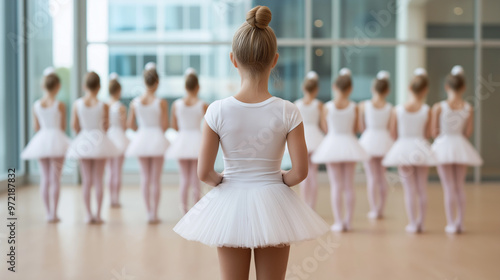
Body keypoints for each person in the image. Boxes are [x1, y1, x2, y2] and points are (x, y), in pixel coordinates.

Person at [174, 6, 329, 280]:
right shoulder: (288, 110)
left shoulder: (216, 111)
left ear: (233, 60)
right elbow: (300, 172)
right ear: (274, 60)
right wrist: (279, 178)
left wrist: (222, 180)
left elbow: (204, 173)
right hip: (274, 200)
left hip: (230, 200)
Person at [312, 68, 369, 232]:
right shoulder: (354, 107)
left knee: (336, 186)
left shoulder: (327, 107)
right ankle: (348, 221)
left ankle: (338, 222)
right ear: (350, 89)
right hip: (350, 143)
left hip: (332, 144)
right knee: (349, 185)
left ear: (333, 87)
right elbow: (358, 128)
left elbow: (324, 127)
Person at [382, 68, 436, 233]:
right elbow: (428, 133)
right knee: (421, 188)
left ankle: (412, 223)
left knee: (409, 189)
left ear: (409, 88)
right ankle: (421, 223)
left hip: (403, 149)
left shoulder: (397, 110)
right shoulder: (427, 110)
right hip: (421, 148)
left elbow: (392, 133)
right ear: (425, 90)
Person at [431, 65, 483, 233]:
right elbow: (468, 132)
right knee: (459, 186)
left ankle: (451, 223)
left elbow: (433, 132)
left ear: (446, 86)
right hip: (460, 146)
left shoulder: (438, 107)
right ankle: (460, 222)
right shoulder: (468, 107)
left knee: (448, 187)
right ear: (464, 87)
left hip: (443, 146)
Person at [67, 71, 120, 224]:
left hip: (84, 141)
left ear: (85, 86)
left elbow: (74, 126)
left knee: (87, 180)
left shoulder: (77, 104)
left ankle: (88, 214)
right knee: (98, 180)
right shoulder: (103, 104)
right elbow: (107, 126)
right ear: (99, 86)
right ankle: (98, 214)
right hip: (99, 141)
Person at [21, 67, 70, 222]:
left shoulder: (36, 105)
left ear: (44, 85)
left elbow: (36, 127)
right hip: (57, 140)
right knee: (55, 179)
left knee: (45, 178)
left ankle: (48, 213)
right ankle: (54, 213)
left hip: (41, 141)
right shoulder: (60, 105)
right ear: (57, 86)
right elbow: (63, 126)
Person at [126, 63, 169, 223]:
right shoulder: (161, 102)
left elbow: (131, 125)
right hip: (157, 138)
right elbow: (165, 126)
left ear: (144, 82)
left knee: (145, 177)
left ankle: (148, 212)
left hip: (142, 138)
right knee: (155, 179)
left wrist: (141, 130)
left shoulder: (135, 102)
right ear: (157, 82)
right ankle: (154, 214)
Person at [167, 68, 208, 213]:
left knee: (184, 179)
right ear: (198, 87)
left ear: (185, 87)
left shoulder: (177, 105)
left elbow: (174, 126)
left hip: (182, 141)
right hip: (197, 140)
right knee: (196, 179)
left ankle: (184, 210)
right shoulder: (203, 104)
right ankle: (196, 211)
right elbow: (211, 125)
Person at [358, 70, 394, 219]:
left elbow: (361, 127)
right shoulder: (390, 107)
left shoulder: (364, 105)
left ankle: (373, 209)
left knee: (372, 178)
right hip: (385, 141)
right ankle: (381, 209)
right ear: (387, 90)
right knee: (382, 176)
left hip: (369, 140)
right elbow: (392, 129)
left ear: (373, 88)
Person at [294, 71, 325, 209]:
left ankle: (304, 204)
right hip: (316, 138)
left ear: (303, 88)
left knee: (304, 173)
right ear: (316, 89)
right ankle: (312, 205)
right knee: (313, 173)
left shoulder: (297, 104)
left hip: (302, 137)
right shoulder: (319, 105)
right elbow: (323, 125)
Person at [106, 73, 129, 207]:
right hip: (120, 137)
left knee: (110, 170)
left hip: (109, 137)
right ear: (119, 90)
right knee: (117, 170)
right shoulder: (121, 107)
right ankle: (116, 199)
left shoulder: (105, 105)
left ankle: (110, 199)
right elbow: (124, 126)